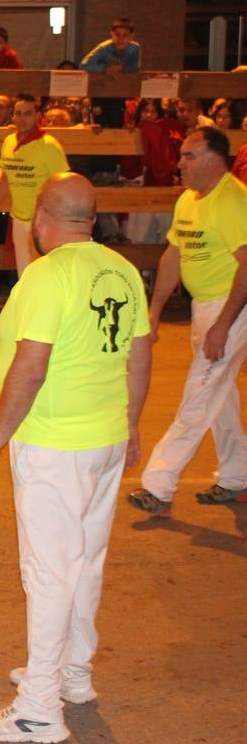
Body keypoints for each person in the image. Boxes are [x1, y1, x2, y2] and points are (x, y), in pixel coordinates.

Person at [0, 173, 151, 744]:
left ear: (43, 215)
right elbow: (139, 356)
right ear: (91, 219)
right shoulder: (120, 270)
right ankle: (72, 674)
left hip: (54, 444)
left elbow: (30, 366)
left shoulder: (46, 275)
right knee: (84, 562)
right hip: (105, 437)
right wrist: (132, 424)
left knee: (48, 572)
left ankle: (39, 707)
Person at [128, 127, 247, 516]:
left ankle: (158, 483)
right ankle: (237, 475)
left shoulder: (233, 201)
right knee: (220, 395)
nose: (179, 163)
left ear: (214, 160)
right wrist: (155, 310)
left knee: (199, 392)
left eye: (188, 156)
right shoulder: (188, 201)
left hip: (232, 308)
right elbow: (171, 258)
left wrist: (223, 325)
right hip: (205, 307)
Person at [0, 94, 70, 274]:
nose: (22, 118)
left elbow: (64, 183)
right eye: (18, 113)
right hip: (19, 218)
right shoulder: (9, 141)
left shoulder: (49, 145)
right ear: (13, 116)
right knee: (24, 272)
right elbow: (5, 179)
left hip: (44, 219)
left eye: (27, 114)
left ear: (37, 116)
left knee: (45, 273)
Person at [80, 18, 140, 130]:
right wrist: (105, 69)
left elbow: (135, 66)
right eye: (117, 35)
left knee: (116, 125)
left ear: (132, 36)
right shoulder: (103, 48)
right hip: (99, 92)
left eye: (125, 35)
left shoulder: (134, 49)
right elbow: (84, 65)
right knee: (99, 126)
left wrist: (121, 67)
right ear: (111, 34)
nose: (120, 39)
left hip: (118, 93)